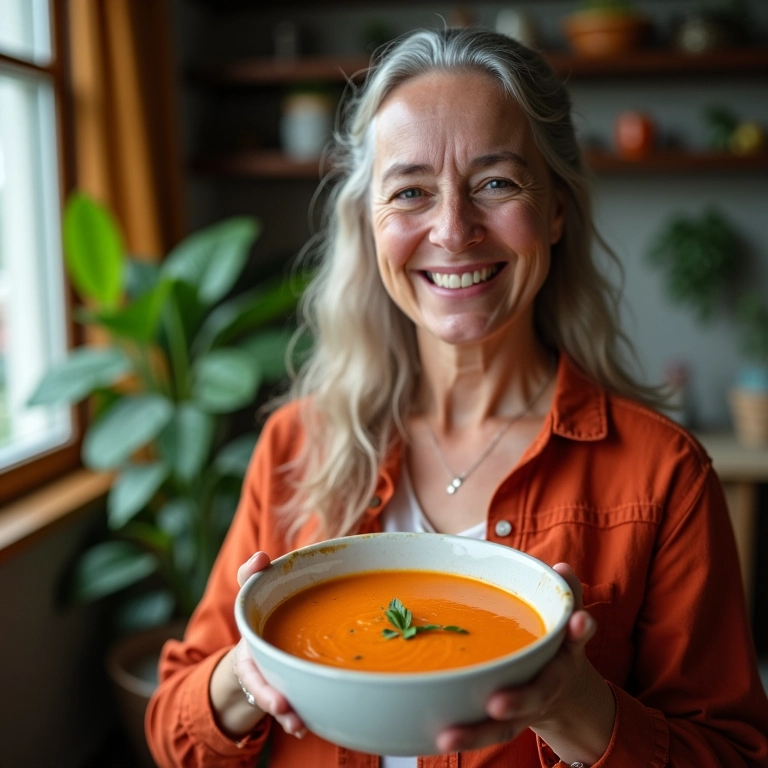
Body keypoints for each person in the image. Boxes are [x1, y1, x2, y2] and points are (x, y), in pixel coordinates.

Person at [145, 27, 768, 768]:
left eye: (496, 183)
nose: (453, 230)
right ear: (370, 225)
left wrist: (576, 706)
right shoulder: (294, 444)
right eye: (410, 191)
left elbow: (734, 755)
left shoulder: (665, 475)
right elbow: (173, 732)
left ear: (556, 210)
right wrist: (246, 673)